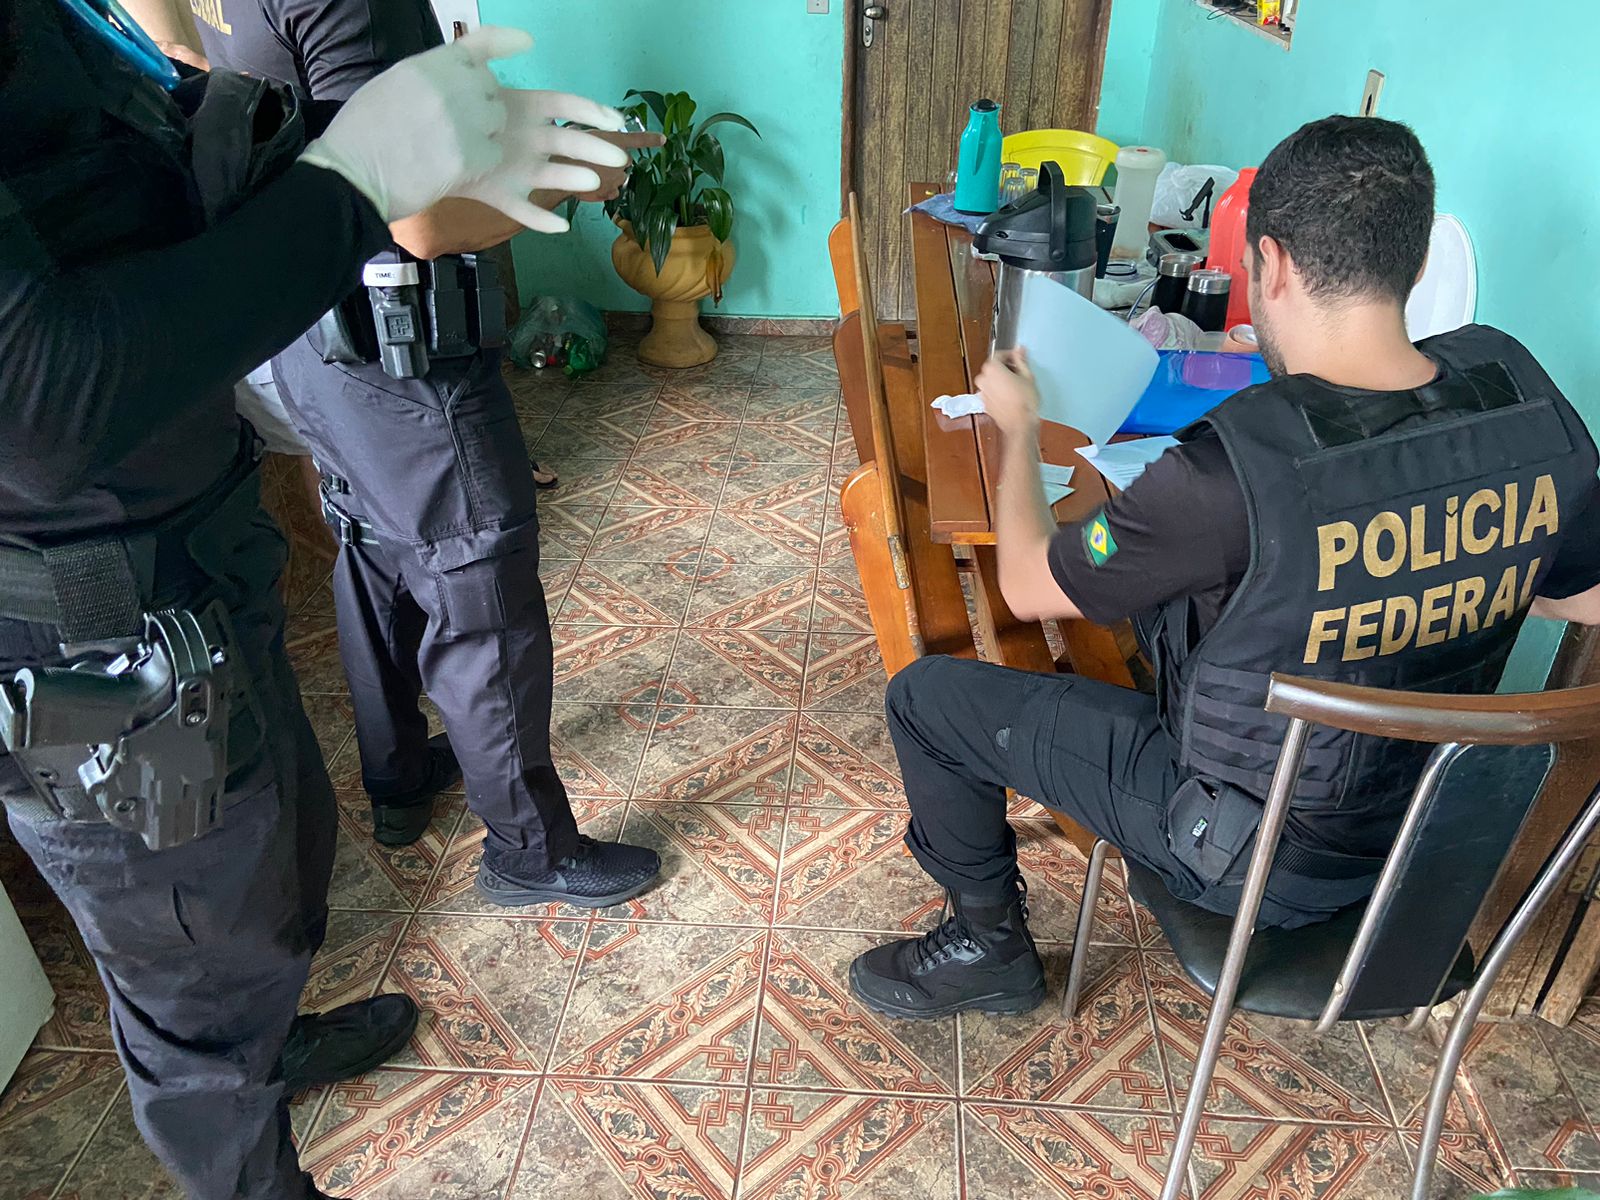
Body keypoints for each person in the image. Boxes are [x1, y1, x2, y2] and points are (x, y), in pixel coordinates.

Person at [1, 2, 628, 1194]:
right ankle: (243, 1125)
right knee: (186, 963)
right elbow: (41, 412)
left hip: (190, 570)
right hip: (87, 643)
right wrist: (357, 181)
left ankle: (267, 1034)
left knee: (267, 872)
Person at [847, 115, 1600, 1021]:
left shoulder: (1227, 474)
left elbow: (1028, 583)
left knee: (927, 699)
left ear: (1270, 263)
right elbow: (1582, 597)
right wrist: (1448, 569)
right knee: (1182, 605)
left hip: (1250, 854)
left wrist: (1016, 426)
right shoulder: (1514, 393)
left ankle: (987, 951)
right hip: (1428, 841)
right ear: (1415, 264)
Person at [181, 0, 667, 909]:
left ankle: (399, 775)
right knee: (479, 584)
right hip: (395, 354)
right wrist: (577, 176)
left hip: (310, 340)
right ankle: (530, 851)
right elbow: (416, 220)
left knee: (374, 547)